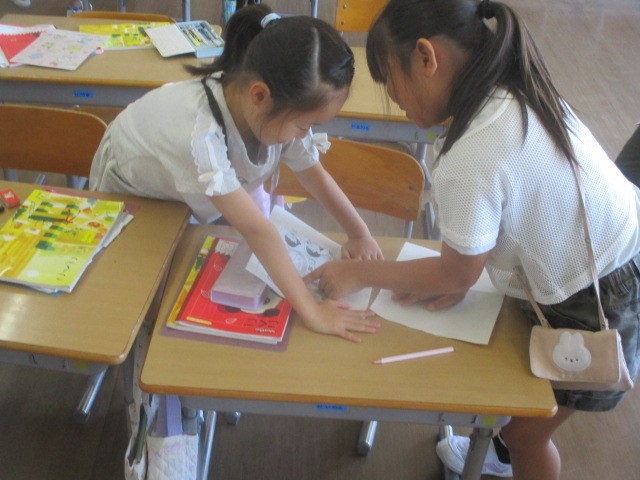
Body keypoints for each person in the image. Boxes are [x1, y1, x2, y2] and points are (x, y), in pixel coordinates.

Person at [305, 0, 640, 478]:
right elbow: (481, 245)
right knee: (516, 409)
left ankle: (508, 455)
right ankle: (500, 457)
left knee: (527, 432)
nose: (393, 99)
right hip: (609, 252)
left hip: (602, 292)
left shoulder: (472, 153)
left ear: (426, 57)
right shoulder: (510, 87)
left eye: (390, 81)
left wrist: (359, 273)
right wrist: (454, 275)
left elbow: (456, 272)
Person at [89, 4, 383, 343]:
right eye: (304, 126)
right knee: (149, 299)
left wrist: (359, 233)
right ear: (259, 95)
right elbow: (258, 231)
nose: (305, 135)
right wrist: (313, 312)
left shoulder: (263, 106)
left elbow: (314, 175)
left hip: (183, 188)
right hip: (133, 194)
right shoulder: (201, 137)